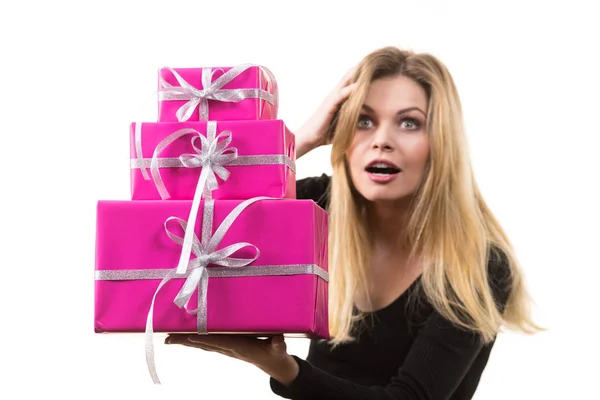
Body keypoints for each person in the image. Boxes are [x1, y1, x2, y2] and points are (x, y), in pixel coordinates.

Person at [165, 46, 541, 399]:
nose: (382, 140)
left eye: (409, 123)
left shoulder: (477, 262)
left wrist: (284, 369)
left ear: (441, 142)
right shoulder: (320, 207)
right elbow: (185, 214)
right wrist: (299, 141)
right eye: (363, 120)